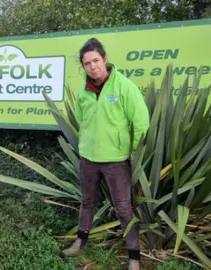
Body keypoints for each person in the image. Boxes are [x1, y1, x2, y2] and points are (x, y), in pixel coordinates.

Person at [61, 38, 150, 270]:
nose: (93, 67)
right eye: (87, 63)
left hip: (116, 160)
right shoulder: (83, 89)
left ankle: (134, 258)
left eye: (96, 60)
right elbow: (81, 118)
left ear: (105, 59)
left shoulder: (124, 86)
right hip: (88, 158)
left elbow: (141, 122)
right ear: (84, 66)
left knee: (123, 207)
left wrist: (131, 149)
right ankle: (80, 242)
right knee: (87, 201)